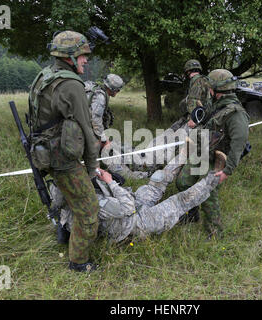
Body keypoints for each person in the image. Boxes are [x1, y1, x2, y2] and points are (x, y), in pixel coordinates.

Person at [28, 30, 100, 272]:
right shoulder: (71, 85)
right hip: (62, 158)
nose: (86, 60)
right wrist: (92, 168)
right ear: (70, 57)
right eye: (82, 56)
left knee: (70, 197)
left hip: (45, 153)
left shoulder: (45, 76)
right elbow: (87, 130)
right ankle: (79, 262)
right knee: (89, 209)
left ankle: (63, 234)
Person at [50, 148, 226, 243]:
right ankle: (214, 177)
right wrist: (110, 181)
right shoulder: (91, 203)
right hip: (135, 224)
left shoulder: (63, 189)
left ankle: (183, 155)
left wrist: (97, 176)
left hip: (129, 203)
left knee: (157, 179)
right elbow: (127, 208)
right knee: (178, 201)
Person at [176, 69, 250, 237]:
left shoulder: (236, 114)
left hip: (216, 158)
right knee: (183, 181)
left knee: (208, 194)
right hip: (201, 152)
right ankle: (192, 213)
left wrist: (227, 170)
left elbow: (239, 143)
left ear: (217, 90)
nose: (208, 90)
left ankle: (215, 233)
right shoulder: (216, 104)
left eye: (210, 88)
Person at [85, 74, 149, 179]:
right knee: (109, 153)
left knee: (117, 147)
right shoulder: (100, 98)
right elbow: (95, 121)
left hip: (86, 131)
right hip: (89, 135)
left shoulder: (96, 91)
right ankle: (131, 176)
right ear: (113, 89)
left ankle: (140, 163)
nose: (117, 92)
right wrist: (104, 140)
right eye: (118, 90)